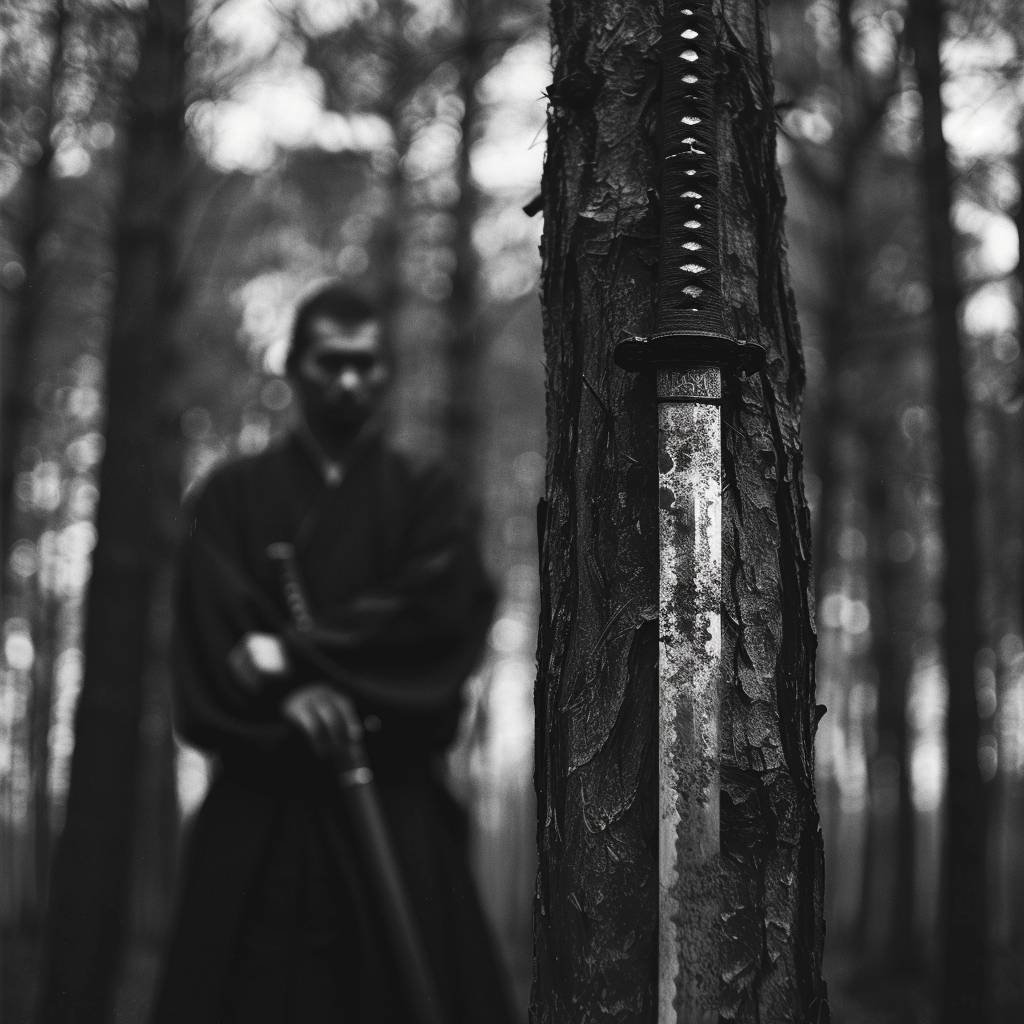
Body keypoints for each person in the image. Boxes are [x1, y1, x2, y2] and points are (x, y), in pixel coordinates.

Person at [151, 283, 514, 1024]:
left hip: (395, 804)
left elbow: (437, 621)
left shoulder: (428, 496)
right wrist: (287, 703)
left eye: (368, 364)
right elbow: (210, 644)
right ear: (292, 367)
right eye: (330, 363)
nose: (350, 382)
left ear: (387, 371)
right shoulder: (230, 499)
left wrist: (291, 656)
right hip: (261, 811)